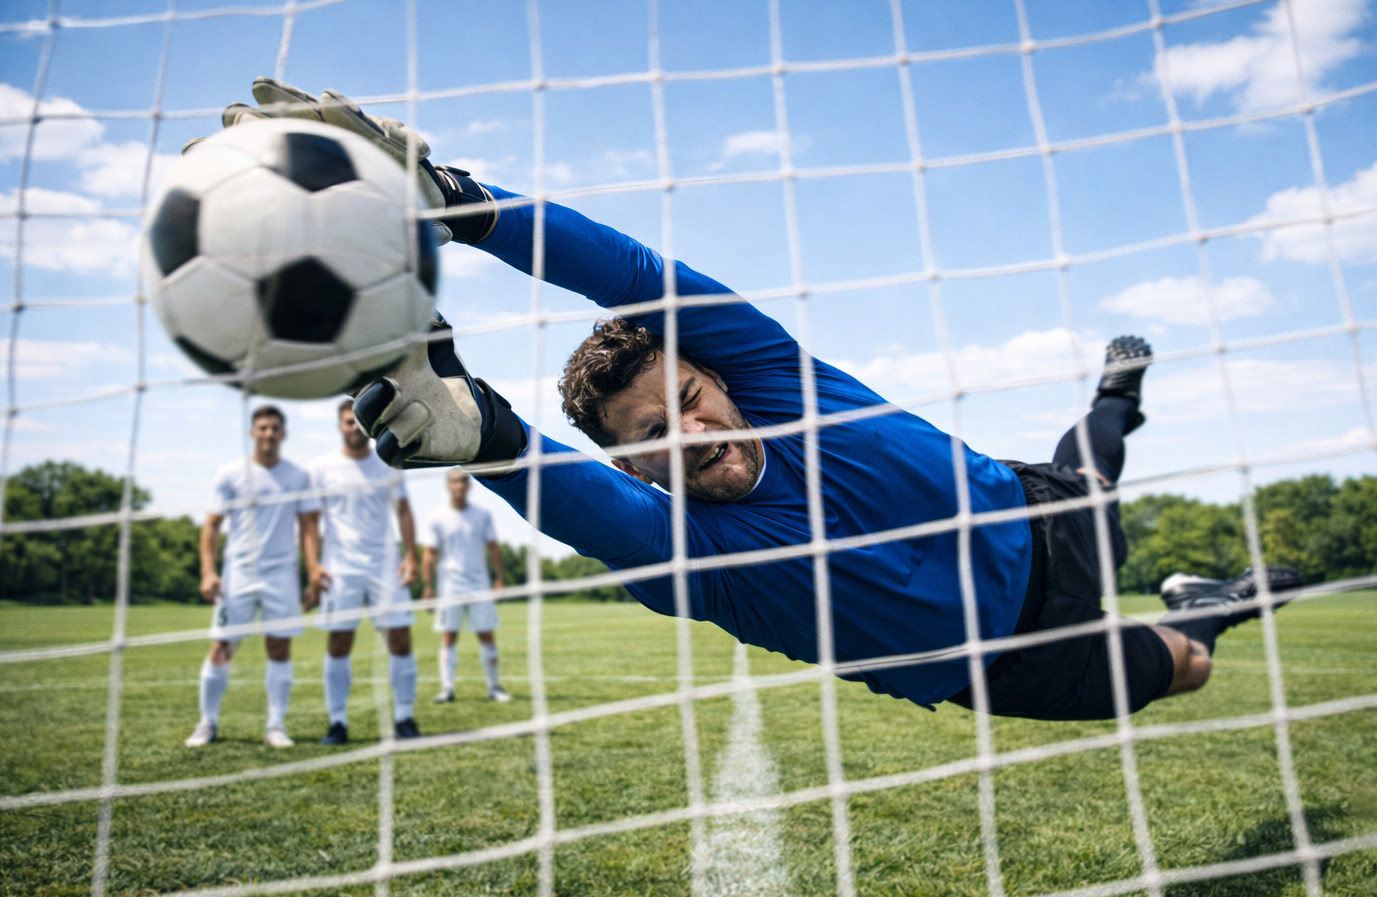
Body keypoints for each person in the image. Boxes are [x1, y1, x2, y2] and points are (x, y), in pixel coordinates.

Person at [230, 80, 1302, 720]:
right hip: (998, 667)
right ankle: (1206, 605)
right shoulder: (687, 554)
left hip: (1042, 520)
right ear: (635, 467)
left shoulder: (780, 377)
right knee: (1189, 665)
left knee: (1100, 457)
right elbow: (557, 487)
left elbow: (633, 268)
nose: (690, 430)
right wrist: (489, 439)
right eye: (653, 435)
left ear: (719, 375)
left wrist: (462, 203)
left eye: (690, 397)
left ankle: (1118, 388)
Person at [186, 405, 320, 748]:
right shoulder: (230, 474)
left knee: (279, 647)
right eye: (262, 428)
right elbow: (212, 526)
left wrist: (314, 570)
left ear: (283, 434)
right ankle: (207, 723)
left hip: (282, 573)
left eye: (275, 428)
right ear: (252, 432)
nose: (269, 434)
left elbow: (308, 526)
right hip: (238, 574)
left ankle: (276, 725)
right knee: (221, 647)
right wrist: (208, 571)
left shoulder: (298, 475)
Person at [304, 398, 422, 743]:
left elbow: (403, 511)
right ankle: (337, 723)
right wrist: (312, 564)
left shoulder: (387, 462)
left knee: (400, 638)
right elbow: (310, 522)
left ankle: (404, 718)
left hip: (385, 563)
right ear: (339, 426)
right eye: (346, 422)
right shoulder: (320, 469)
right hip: (339, 567)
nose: (353, 428)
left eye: (357, 422)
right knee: (339, 641)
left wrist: (411, 555)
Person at [422, 470, 510, 704]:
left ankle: (494, 687)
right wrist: (428, 586)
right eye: (455, 481)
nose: (459, 485)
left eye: (463, 481)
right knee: (448, 637)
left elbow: (493, 548)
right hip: (449, 584)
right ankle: (447, 688)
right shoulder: (437, 517)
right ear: (448, 485)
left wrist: (499, 579)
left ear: (468, 485)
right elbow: (429, 554)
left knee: (486, 636)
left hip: (479, 583)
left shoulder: (481, 515)